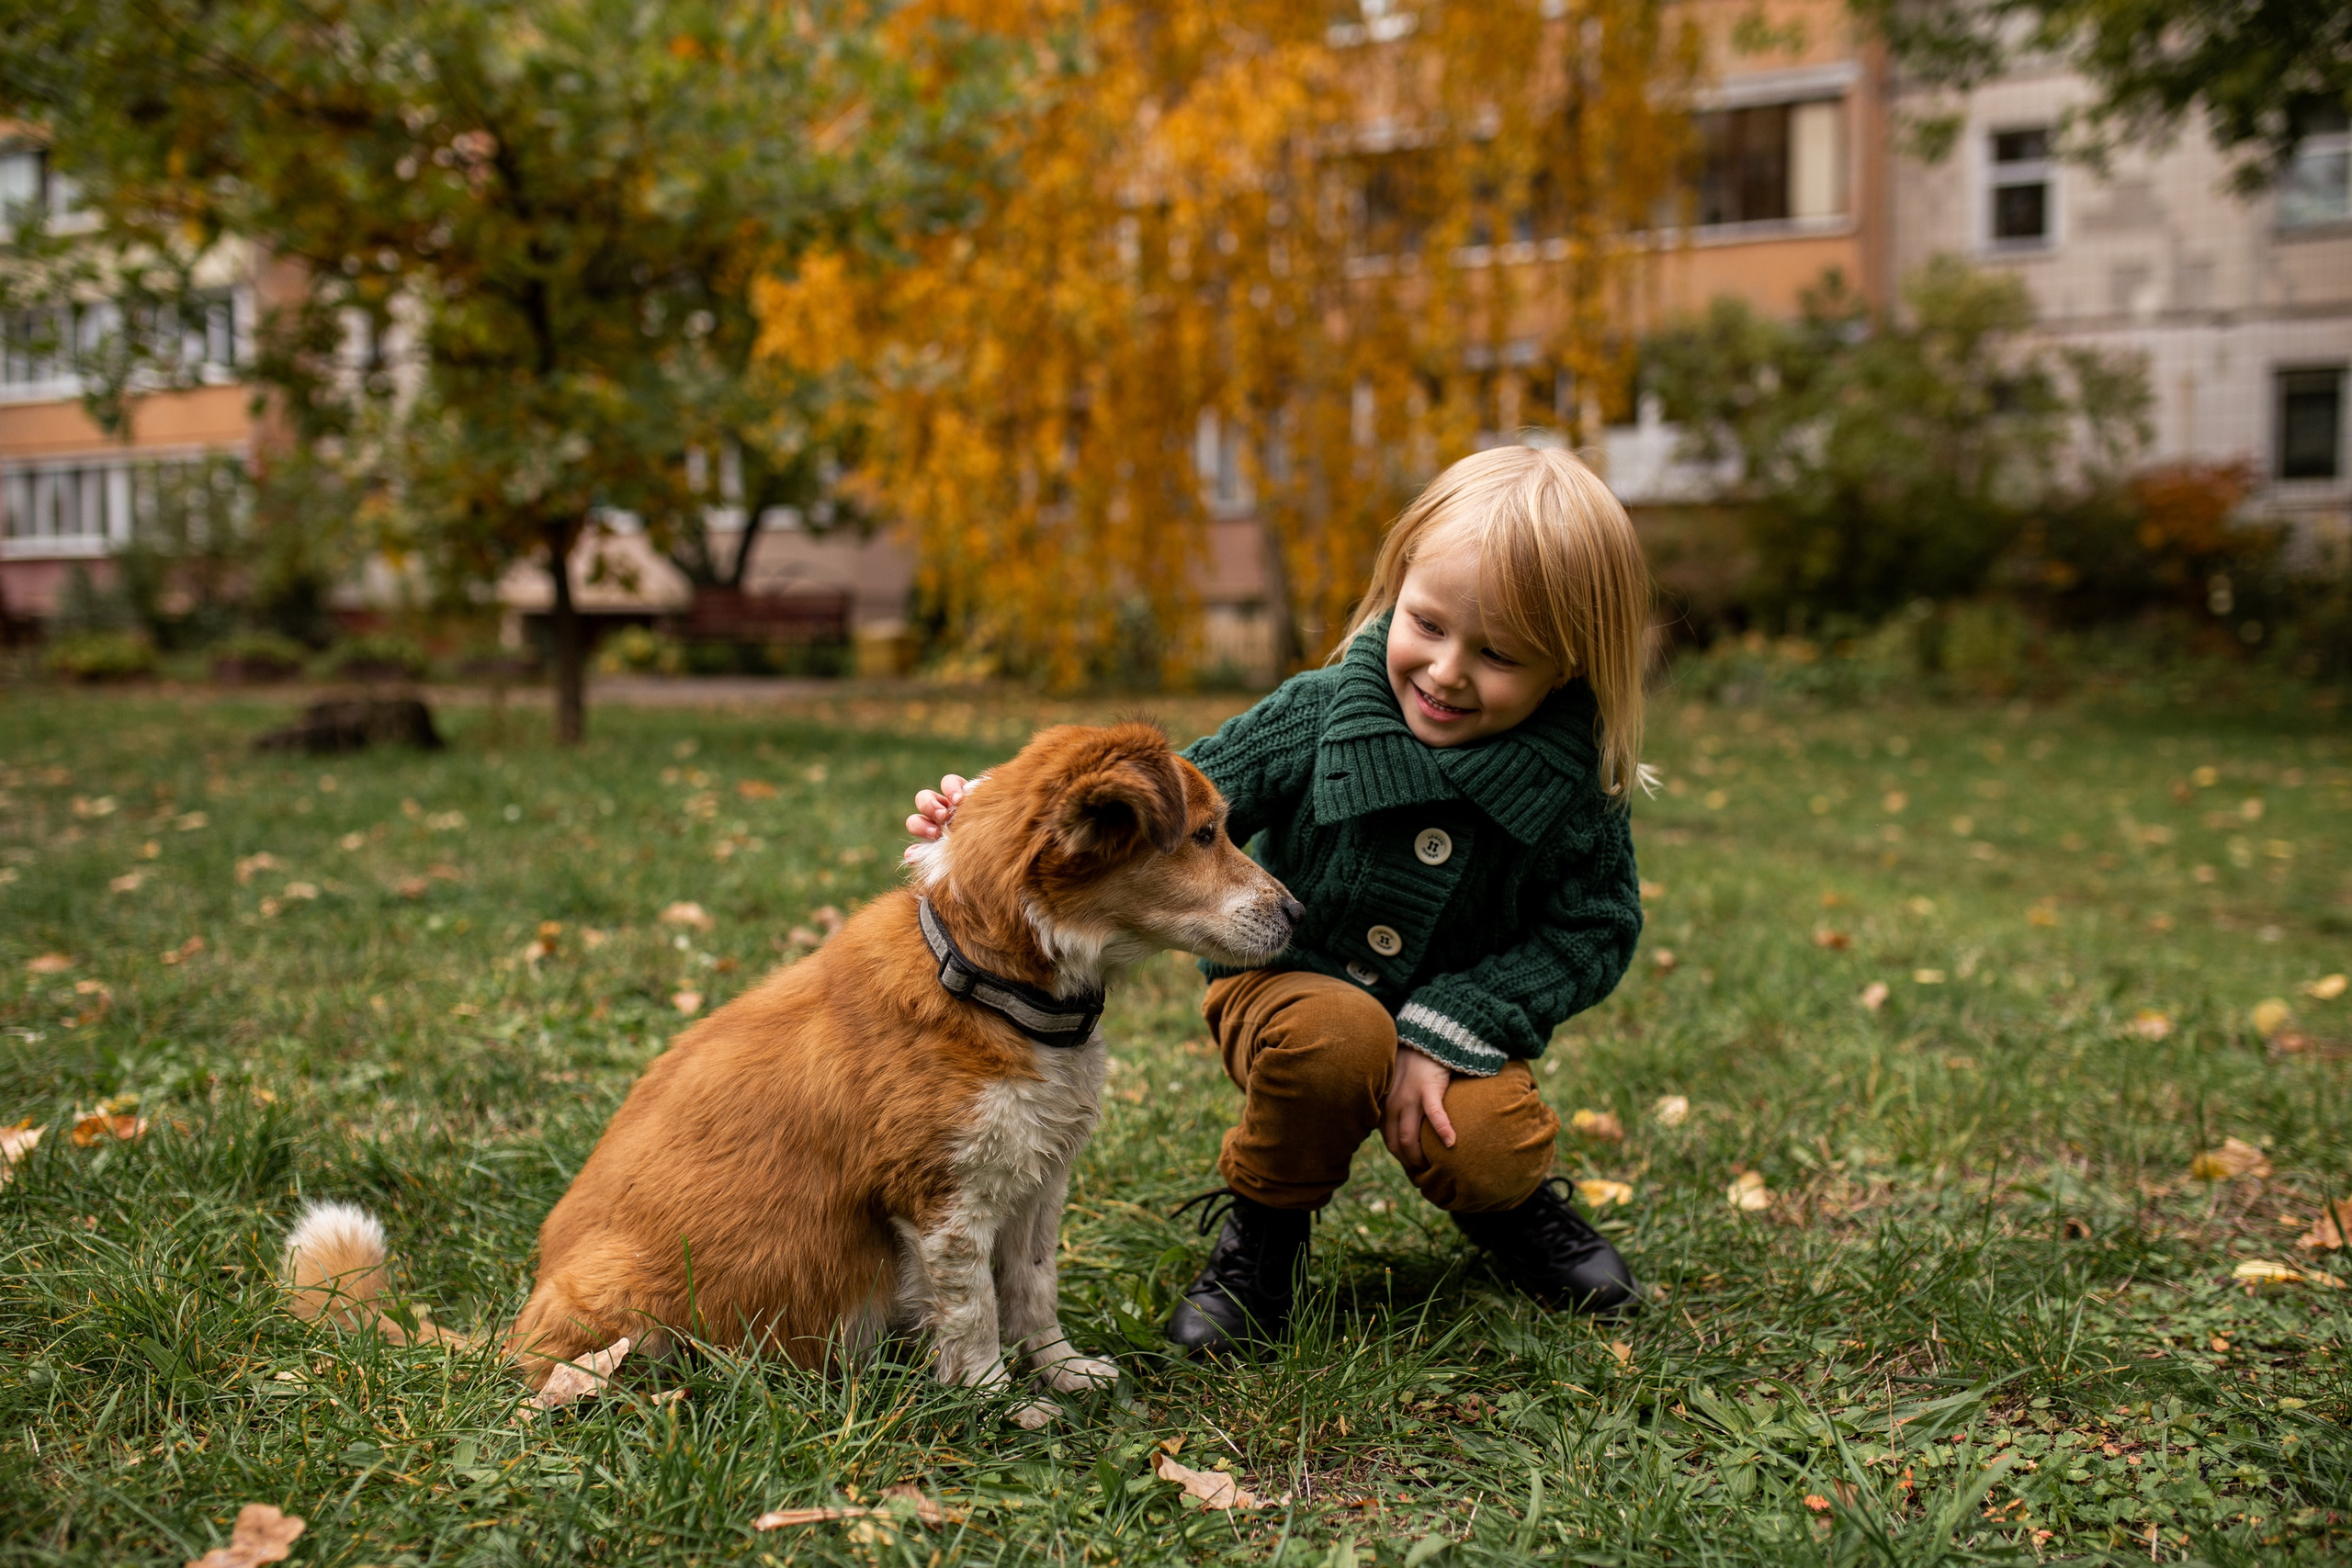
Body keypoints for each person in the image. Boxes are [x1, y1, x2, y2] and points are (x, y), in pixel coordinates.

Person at [907, 444, 1650, 1355]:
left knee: (1483, 1137)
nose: (1448, 672)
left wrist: (1456, 1020)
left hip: (1459, 1030)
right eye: (1427, 623)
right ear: (1394, 590)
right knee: (1333, 1038)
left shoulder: (1575, 786)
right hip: (1284, 987)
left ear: (1568, 668)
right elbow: (1171, 803)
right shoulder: (1321, 710)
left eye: (1498, 654)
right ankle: (1264, 1235)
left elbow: (1595, 929)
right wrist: (997, 821)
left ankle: (1512, 1211)